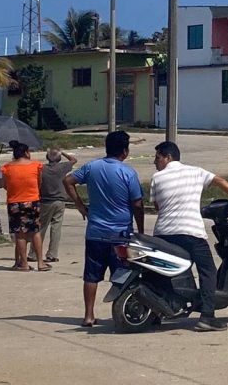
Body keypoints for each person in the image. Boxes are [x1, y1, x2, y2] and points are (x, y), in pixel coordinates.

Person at [150, 141, 228, 331]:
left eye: (157, 158)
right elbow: (220, 180)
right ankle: (207, 317)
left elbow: (157, 207)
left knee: (163, 269)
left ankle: (158, 311)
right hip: (190, 233)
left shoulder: (157, 178)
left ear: (168, 158)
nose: (155, 162)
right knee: (207, 271)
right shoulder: (196, 172)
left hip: (163, 233)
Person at [63, 131, 145, 328]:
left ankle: (88, 315)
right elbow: (137, 204)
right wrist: (140, 230)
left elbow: (68, 180)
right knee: (123, 275)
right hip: (120, 235)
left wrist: (79, 205)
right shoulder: (128, 173)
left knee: (91, 276)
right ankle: (120, 313)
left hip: (96, 233)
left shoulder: (92, 167)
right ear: (125, 151)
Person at [1, 143, 50, 272]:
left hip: (15, 202)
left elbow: (3, 184)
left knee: (20, 234)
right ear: (26, 152)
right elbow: (39, 182)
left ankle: (23, 263)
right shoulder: (36, 165)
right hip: (33, 201)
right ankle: (40, 262)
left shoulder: (6, 167)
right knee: (35, 231)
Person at [30, 148, 77, 263]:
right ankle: (52, 254)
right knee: (56, 228)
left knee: (41, 228)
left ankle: (34, 253)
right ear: (59, 158)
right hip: (59, 200)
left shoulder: (42, 168)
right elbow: (73, 160)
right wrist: (62, 152)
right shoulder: (63, 167)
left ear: (47, 157)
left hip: (45, 200)